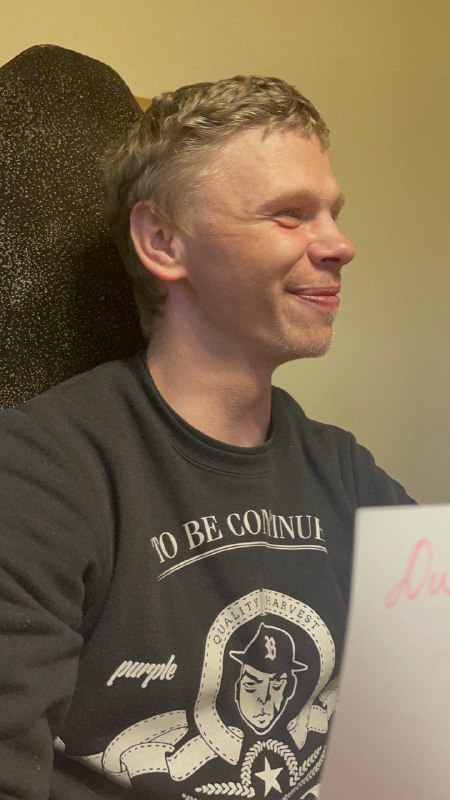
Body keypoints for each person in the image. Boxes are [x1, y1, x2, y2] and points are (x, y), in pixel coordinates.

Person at [0, 76, 414, 800]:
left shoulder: (346, 472)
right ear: (163, 242)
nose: (340, 245)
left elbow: (425, 703)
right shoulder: (39, 472)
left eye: (333, 214)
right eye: (289, 214)